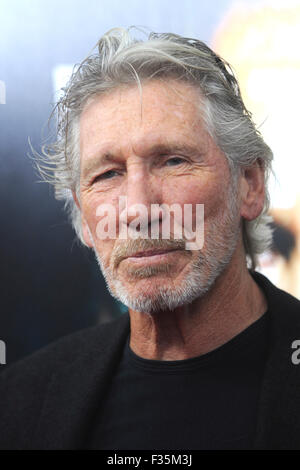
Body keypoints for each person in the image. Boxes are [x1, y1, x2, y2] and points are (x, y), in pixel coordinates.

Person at [1, 27, 300, 450]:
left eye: (173, 161)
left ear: (249, 184)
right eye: (107, 174)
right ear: (84, 219)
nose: (138, 209)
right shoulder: (21, 402)